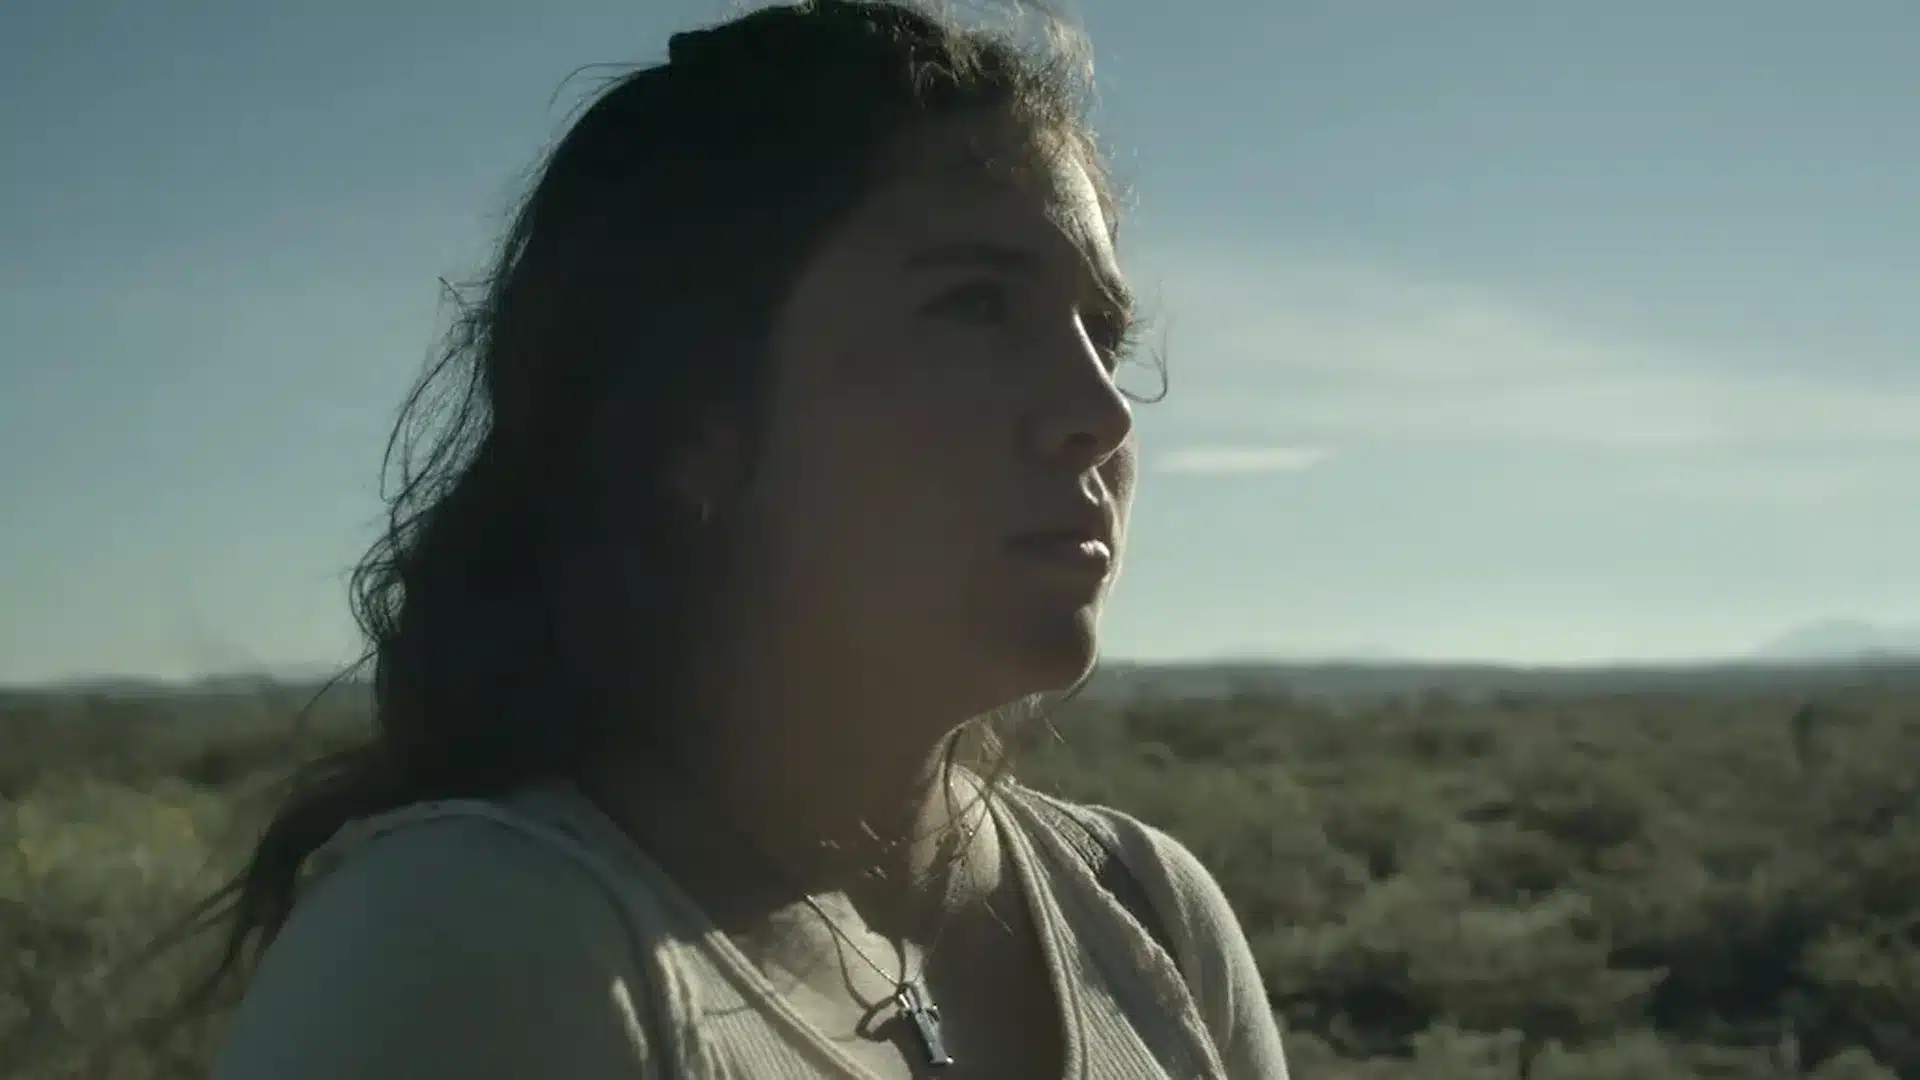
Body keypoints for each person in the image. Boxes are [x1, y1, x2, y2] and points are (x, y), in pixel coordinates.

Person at [205, 1, 1288, 1077]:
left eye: (1103, 334)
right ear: (686, 425)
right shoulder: (476, 957)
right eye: (974, 307)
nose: (1100, 414)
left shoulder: (1148, 916)